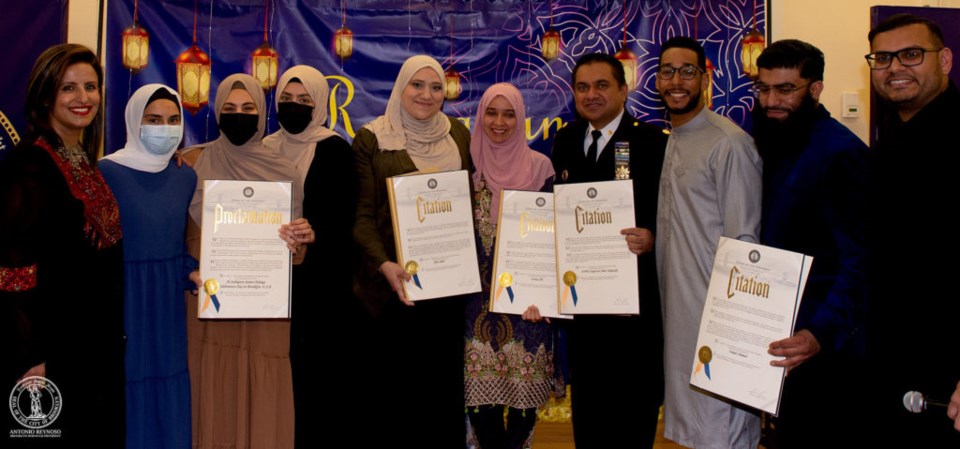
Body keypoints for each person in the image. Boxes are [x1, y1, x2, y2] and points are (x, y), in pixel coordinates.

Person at [0, 43, 125, 447]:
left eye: (91, 86)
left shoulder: (79, 157)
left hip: (90, 346)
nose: (83, 98)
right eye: (68, 88)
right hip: (49, 357)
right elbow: (13, 268)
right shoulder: (29, 166)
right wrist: (29, 357)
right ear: (45, 95)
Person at [750, 39, 869, 449]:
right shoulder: (771, 140)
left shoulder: (841, 154)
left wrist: (819, 332)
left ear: (815, 89)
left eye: (785, 89)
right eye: (763, 88)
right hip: (779, 334)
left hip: (822, 348)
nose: (771, 100)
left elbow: (859, 260)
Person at [183, 73, 309, 449]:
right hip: (207, 299)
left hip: (263, 308)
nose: (239, 115)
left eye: (248, 108)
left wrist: (300, 238)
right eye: (230, 108)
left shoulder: (284, 171)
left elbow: (295, 254)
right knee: (211, 387)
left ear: (261, 113)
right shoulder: (191, 164)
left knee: (262, 387)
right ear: (217, 112)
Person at [352, 54, 470, 448]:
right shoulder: (372, 138)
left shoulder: (458, 134)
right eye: (417, 85)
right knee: (395, 399)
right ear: (401, 87)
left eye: (436, 87)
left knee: (442, 396)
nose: (427, 94)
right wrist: (383, 264)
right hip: (392, 291)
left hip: (448, 289)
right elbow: (363, 215)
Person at [550, 52, 667, 448]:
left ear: (623, 89)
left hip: (633, 315)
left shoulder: (652, 143)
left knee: (631, 422)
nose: (591, 95)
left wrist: (652, 237)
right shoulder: (565, 140)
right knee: (590, 422)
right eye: (582, 87)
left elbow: (676, 218)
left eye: (602, 85)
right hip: (584, 315)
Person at [654, 36, 763, 449]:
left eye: (687, 71)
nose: (676, 81)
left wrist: (733, 330)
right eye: (667, 71)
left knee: (722, 431)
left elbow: (745, 244)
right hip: (679, 315)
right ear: (657, 79)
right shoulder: (671, 139)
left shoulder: (728, 143)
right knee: (695, 432)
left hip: (716, 320)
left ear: (705, 78)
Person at [865, 13, 960, 446]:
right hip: (895, 355)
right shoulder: (892, 134)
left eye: (911, 55)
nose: (895, 68)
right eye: (882, 58)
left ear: (945, 60)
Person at [261, 65, 363, 444]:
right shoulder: (263, 146)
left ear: (319, 103)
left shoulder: (334, 149)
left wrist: (315, 233)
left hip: (319, 290)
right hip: (268, 286)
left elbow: (347, 219)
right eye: (286, 99)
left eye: (304, 100)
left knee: (314, 384)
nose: (294, 107)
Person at [99, 84, 197, 449]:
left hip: (167, 306)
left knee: (167, 383)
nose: (164, 128)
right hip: (122, 300)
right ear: (133, 121)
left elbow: (175, 242)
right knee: (126, 385)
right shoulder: (105, 172)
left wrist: (191, 270)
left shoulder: (186, 176)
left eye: (173, 121)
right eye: (153, 120)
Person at [464, 83, 560, 449]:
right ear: (480, 116)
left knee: (523, 411)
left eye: (509, 114)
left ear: (521, 118)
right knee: (481, 408)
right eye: (491, 112)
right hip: (474, 311)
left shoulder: (540, 168)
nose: (499, 122)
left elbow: (554, 242)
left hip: (527, 312)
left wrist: (547, 299)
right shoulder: (466, 168)